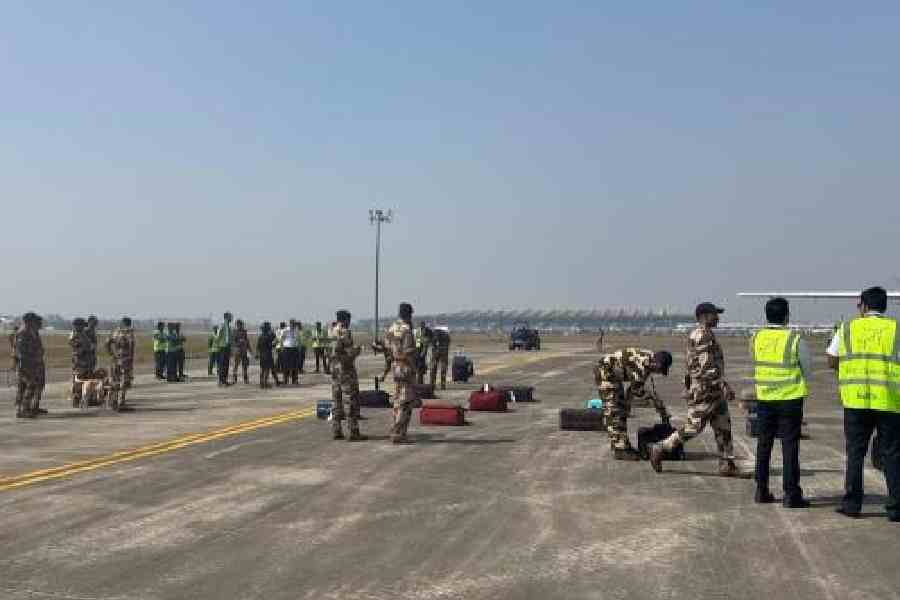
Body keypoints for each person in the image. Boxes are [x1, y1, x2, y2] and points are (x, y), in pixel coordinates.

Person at [827, 286, 900, 521]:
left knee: (855, 453)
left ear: (865, 306)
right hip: (889, 401)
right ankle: (896, 508)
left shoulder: (847, 327)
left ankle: (852, 504)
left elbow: (831, 359)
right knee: (892, 454)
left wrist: (849, 370)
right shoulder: (896, 329)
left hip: (856, 400)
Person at [650, 302, 739, 477]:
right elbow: (706, 368)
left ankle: (726, 463)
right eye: (715, 314)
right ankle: (661, 447)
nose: (718, 318)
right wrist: (723, 384)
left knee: (723, 428)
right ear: (705, 316)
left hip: (713, 391)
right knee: (694, 427)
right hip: (705, 391)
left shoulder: (705, 334)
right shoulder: (702, 336)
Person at [751, 298, 811, 508]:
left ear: (766, 316)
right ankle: (791, 494)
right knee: (790, 446)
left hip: (765, 398)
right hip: (790, 399)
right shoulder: (794, 339)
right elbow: (807, 368)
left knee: (764, 444)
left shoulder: (757, 337)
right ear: (787, 316)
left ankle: (761, 489)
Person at [594, 348, 673, 460]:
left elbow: (631, 391)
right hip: (606, 373)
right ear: (657, 364)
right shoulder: (642, 365)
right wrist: (658, 405)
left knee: (621, 410)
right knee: (614, 412)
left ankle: (622, 445)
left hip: (614, 376)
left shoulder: (650, 361)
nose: (658, 372)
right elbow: (637, 390)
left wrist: (627, 406)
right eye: (660, 370)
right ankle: (620, 450)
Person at [330, 310, 366, 441]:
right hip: (345, 369)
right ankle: (353, 431)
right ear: (345, 319)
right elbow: (349, 353)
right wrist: (357, 351)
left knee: (336, 400)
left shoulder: (333, 330)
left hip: (335, 369)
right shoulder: (345, 332)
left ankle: (336, 429)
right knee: (350, 400)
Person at [385, 303, 418, 444]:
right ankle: (398, 432)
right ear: (408, 315)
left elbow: (387, 347)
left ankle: (398, 431)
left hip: (395, 366)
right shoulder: (407, 330)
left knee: (398, 400)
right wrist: (414, 367)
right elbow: (409, 351)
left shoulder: (392, 328)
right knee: (405, 402)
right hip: (405, 367)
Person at [14, 312, 45, 418]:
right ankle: (24, 409)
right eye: (34, 321)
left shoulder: (31, 332)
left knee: (29, 386)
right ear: (29, 321)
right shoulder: (22, 333)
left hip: (32, 364)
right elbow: (20, 351)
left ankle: (26, 408)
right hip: (25, 365)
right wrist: (29, 359)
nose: (36, 323)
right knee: (30, 385)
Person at [106, 317, 136, 406]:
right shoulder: (130, 333)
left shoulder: (116, 332)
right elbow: (131, 346)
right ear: (129, 323)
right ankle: (121, 400)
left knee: (115, 379)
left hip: (116, 359)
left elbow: (107, 342)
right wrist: (131, 358)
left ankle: (113, 400)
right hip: (126, 360)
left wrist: (111, 353)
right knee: (124, 380)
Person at [69, 318, 93, 405]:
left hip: (86, 361)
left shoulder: (83, 334)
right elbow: (75, 346)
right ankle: (76, 399)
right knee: (78, 381)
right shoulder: (74, 335)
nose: (84, 327)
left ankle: (84, 398)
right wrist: (84, 349)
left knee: (86, 380)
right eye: (82, 325)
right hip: (79, 362)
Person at [256, 322, 277, 389]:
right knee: (267, 369)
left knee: (262, 369)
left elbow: (258, 347)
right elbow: (272, 344)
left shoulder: (260, 337)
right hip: (268, 354)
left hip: (262, 355)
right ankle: (265, 383)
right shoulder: (269, 336)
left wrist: (257, 354)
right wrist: (275, 343)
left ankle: (261, 382)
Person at [215, 312, 233, 386]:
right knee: (222, 365)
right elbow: (217, 336)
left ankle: (224, 380)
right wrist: (219, 345)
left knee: (226, 365)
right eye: (230, 317)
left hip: (227, 347)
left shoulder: (229, 326)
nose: (231, 318)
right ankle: (220, 381)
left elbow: (229, 337)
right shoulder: (222, 325)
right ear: (226, 317)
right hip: (222, 347)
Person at [280, 320, 301, 385]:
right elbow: (282, 339)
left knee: (295, 365)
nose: (294, 325)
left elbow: (298, 339)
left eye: (294, 324)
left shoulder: (296, 330)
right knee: (286, 365)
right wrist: (281, 347)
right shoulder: (285, 330)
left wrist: (299, 347)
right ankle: (285, 379)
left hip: (294, 348)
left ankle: (294, 380)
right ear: (290, 324)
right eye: (293, 324)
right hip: (287, 348)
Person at [231, 319, 251, 384]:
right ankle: (234, 378)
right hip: (237, 350)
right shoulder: (234, 332)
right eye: (239, 324)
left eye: (241, 324)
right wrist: (239, 342)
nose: (240, 326)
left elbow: (247, 340)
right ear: (237, 325)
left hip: (244, 351)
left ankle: (245, 378)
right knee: (236, 365)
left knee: (245, 365)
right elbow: (233, 342)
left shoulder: (244, 331)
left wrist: (249, 349)